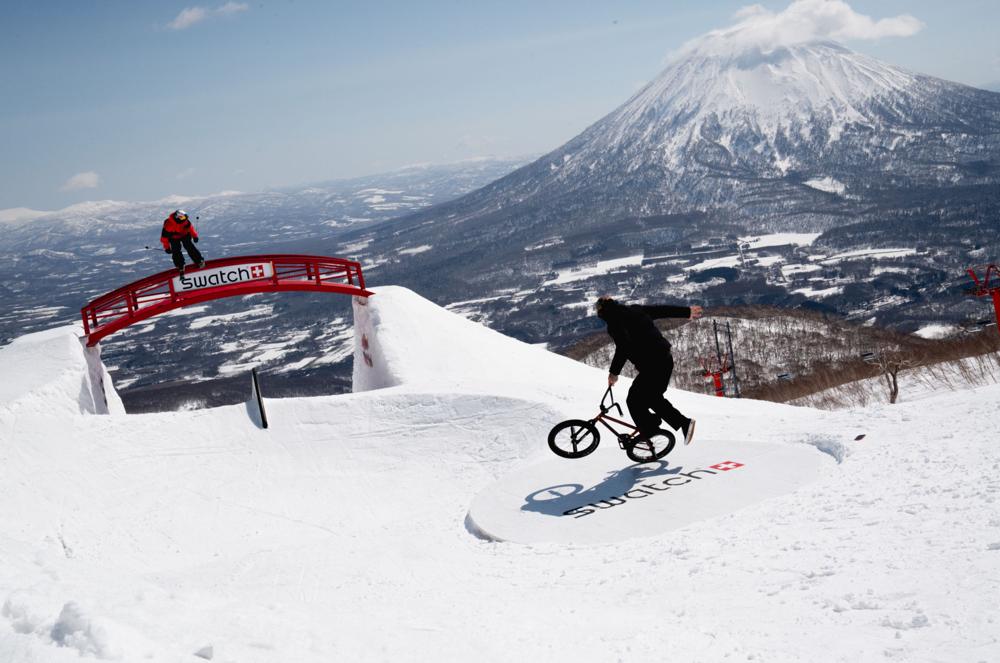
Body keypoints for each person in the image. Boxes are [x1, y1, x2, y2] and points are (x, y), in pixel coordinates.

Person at [595, 296, 703, 446]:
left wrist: (614, 373)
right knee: (652, 397)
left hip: (653, 366)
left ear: (602, 312)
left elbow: (623, 348)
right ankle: (679, 424)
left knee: (634, 400)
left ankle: (652, 428)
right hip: (664, 360)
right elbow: (660, 310)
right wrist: (686, 312)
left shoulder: (614, 324)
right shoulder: (635, 309)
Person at [160, 209, 205, 275]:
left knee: (189, 246)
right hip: (174, 237)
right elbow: (164, 238)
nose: (184, 219)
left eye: (185, 217)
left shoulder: (185, 221)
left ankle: (199, 260)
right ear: (177, 218)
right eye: (183, 217)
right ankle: (180, 265)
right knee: (176, 250)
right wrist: (167, 247)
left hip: (185, 234)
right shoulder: (168, 225)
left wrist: (195, 236)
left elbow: (191, 228)